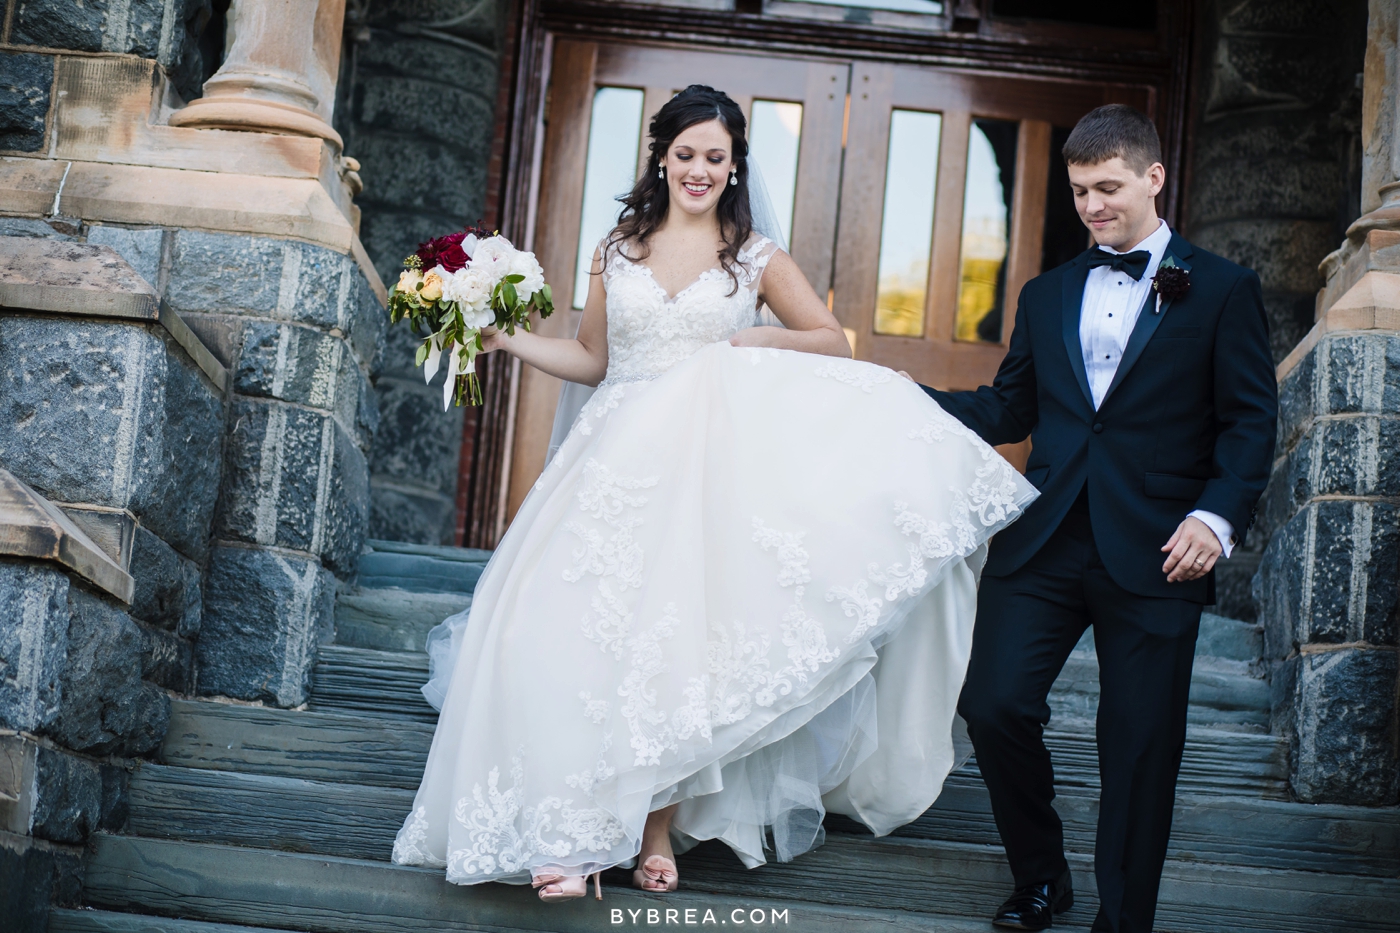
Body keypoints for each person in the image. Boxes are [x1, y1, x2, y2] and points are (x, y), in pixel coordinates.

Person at [390, 85, 1037, 902]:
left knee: (675, 645)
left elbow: (829, 341)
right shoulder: (615, 249)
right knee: (565, 634)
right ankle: (575, 828)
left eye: (717, 158)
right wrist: (506, 337)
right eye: (687, 154)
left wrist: (756, 337)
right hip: (611, 462)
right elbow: (595, 361)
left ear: (735, 168)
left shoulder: (755, 256)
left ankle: (652, 828)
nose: (700, 170)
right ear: (662, 155)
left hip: (704, 474)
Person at [920, 105, 1277, 932]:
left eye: (1107, 186)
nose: (1091, 205)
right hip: (1044, 540)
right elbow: (1008, 407)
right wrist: (899, 398)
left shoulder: (1224, 288)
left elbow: (1251, 421)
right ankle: (1042, 877)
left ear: (1155, 177)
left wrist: (1215, 519)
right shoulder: (1046, 295)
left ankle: (1126, 918)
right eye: (1080, 190)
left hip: (1160, 549)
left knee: (1140, 745)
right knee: (994, 705)